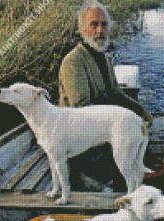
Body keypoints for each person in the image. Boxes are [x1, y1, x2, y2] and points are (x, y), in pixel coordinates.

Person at [58, 0, 152, 191]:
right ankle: (95, 180)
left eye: (104, 25)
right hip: (82, 142)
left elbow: (116, 93)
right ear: (83, 29)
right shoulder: (73, 61)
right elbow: (81, 109)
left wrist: (140, 110)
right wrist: (122, 123)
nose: (99, 30)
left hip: (102, 130)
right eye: (94, 25)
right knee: (131, 152)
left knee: (142, 143)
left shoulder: (105, 58)